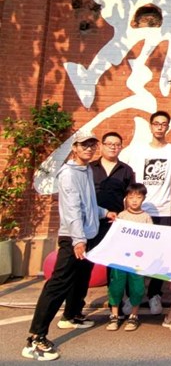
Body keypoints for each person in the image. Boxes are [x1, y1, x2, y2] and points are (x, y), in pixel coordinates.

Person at [22, 131, 117, 361]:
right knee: (58, 285)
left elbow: (88, 204)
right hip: (73, 237)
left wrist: (105, 212)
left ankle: (71, 315)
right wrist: (79, 240)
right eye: (84, 145)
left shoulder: (86, 170)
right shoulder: (68, 174)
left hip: (87, 234)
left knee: (81, 278)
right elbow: (72, 209)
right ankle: (35, 338)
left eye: (92, 145)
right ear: (74, 148)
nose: (89, 149)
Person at [121, 110, 171, 315]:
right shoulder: (138, 150)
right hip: (139, 211)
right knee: (134, 253)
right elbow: (131, 178)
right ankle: (132, 295)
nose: (159, 127)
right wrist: (128, 205)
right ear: (150, 126)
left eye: (163, 124)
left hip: (163, 210)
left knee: (160, 254)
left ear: (167, 127)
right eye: (156, 123)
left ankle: (155, 293)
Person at [90, 131, 135, 316]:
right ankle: (75, 308)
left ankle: (115, 306)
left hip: (115, 223)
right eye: (109, 144)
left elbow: (131, 197)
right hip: (91, 222)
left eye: (117, 145)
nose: (113, 147)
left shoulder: (126, 170)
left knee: (114, 266)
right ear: (101, 146)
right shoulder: (90, 168)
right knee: (86, 263)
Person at [106, 183, 153, 332]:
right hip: (120, 259)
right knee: (116, 286)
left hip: (137, 260)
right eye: (131, 197)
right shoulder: (121, 216)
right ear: (126, 198)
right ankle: (114, 316)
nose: (134, 200)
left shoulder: (146, 217)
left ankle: (134, 315)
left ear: (143, 198)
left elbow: (152, 239)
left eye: (138, 197)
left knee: (137, 288)